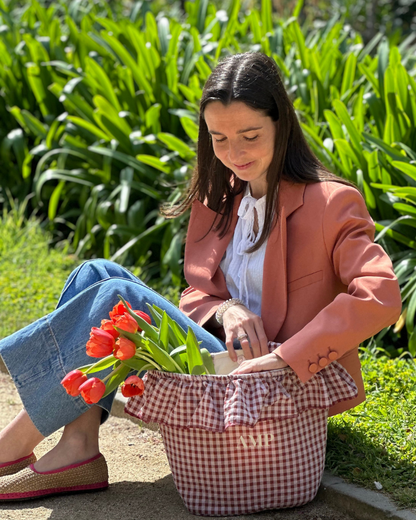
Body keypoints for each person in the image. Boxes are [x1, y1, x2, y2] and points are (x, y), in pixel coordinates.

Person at [0, 52, 401, 501]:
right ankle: (78, 447)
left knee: (117, 294)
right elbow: (197, 292)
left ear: (281, 124)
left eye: (250, 135)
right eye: (220, 138)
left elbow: (381, 294)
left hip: (277, 386)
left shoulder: (331, 204)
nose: (235, 154)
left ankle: (12, 443)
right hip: (224, 365)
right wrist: (226, 309)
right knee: (95, 273)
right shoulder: (222, 197)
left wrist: (288, 355)